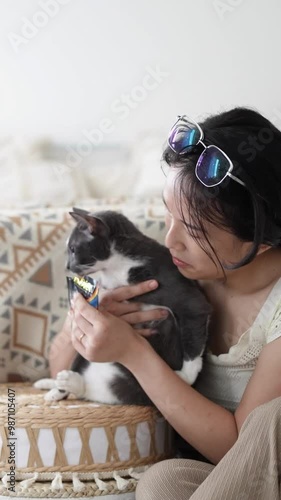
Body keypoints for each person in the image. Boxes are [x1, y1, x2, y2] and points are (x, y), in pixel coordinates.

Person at [49, 107, 281, 499]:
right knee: (164, 481)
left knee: (271, 419)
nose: (170, 240)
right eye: (168, 212)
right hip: (215, 478)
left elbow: (245, 451)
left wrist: (135, 353)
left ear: (262, 242)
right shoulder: (172, 267)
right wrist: (88, 324)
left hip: (257, 466)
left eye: (192, 229)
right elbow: (58, 369)